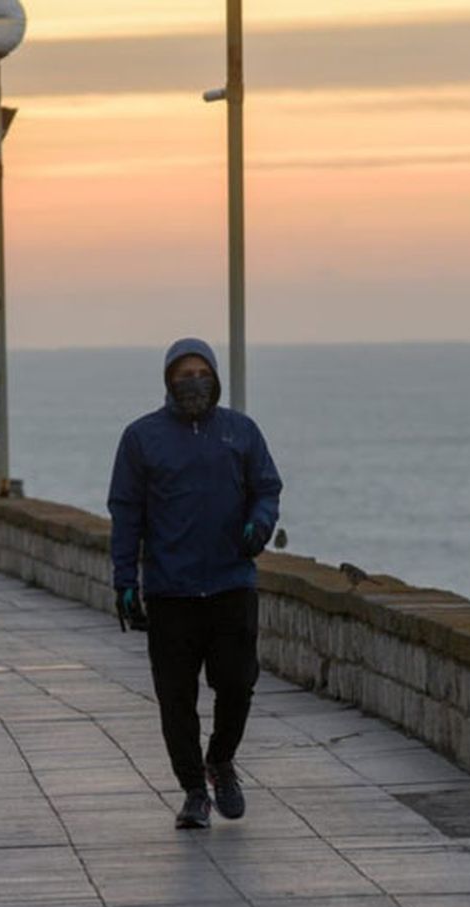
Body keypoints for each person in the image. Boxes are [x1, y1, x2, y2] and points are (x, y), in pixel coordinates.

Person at [108, 338, 282, 829]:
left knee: (237, 684)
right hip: (170, 591)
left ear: (216, 378)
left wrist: (259, 524)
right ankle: (192, 792)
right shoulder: (141, 438)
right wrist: (125, 580)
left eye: (201, 372)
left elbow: (267, 487)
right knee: (176, 697)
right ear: (168, 381)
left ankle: (220, 761)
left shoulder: (241, 431)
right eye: (183, 375)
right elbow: (126, 513)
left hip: (231, 583)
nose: (193, 382)